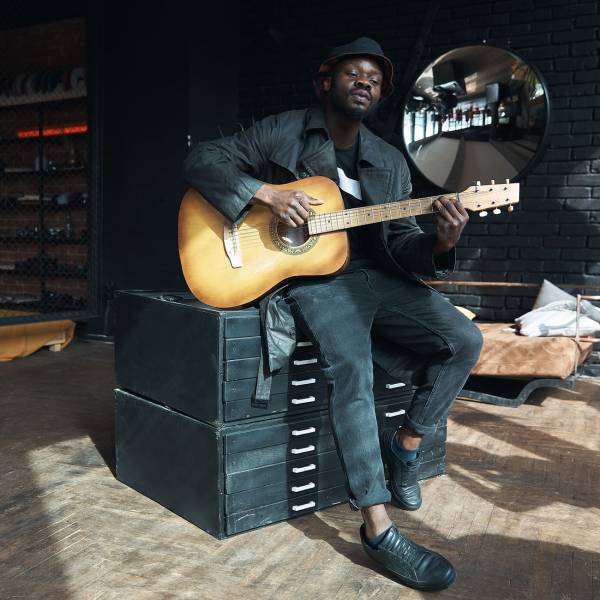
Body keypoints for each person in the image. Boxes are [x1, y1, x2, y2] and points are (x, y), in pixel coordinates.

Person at [184, 37, 483, 592]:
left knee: (464, 339)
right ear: (328, 82)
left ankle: (408, 445)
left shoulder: (390, 162)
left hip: (377, 278)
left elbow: (403, 245)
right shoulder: (285, 131)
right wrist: (266, 195)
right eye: (353, 72)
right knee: (353, 373)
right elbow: (201, 159)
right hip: (318, 281)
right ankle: (377, 527)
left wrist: (442, 244)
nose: (365, 81)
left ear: (381, 93)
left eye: (374, 77)